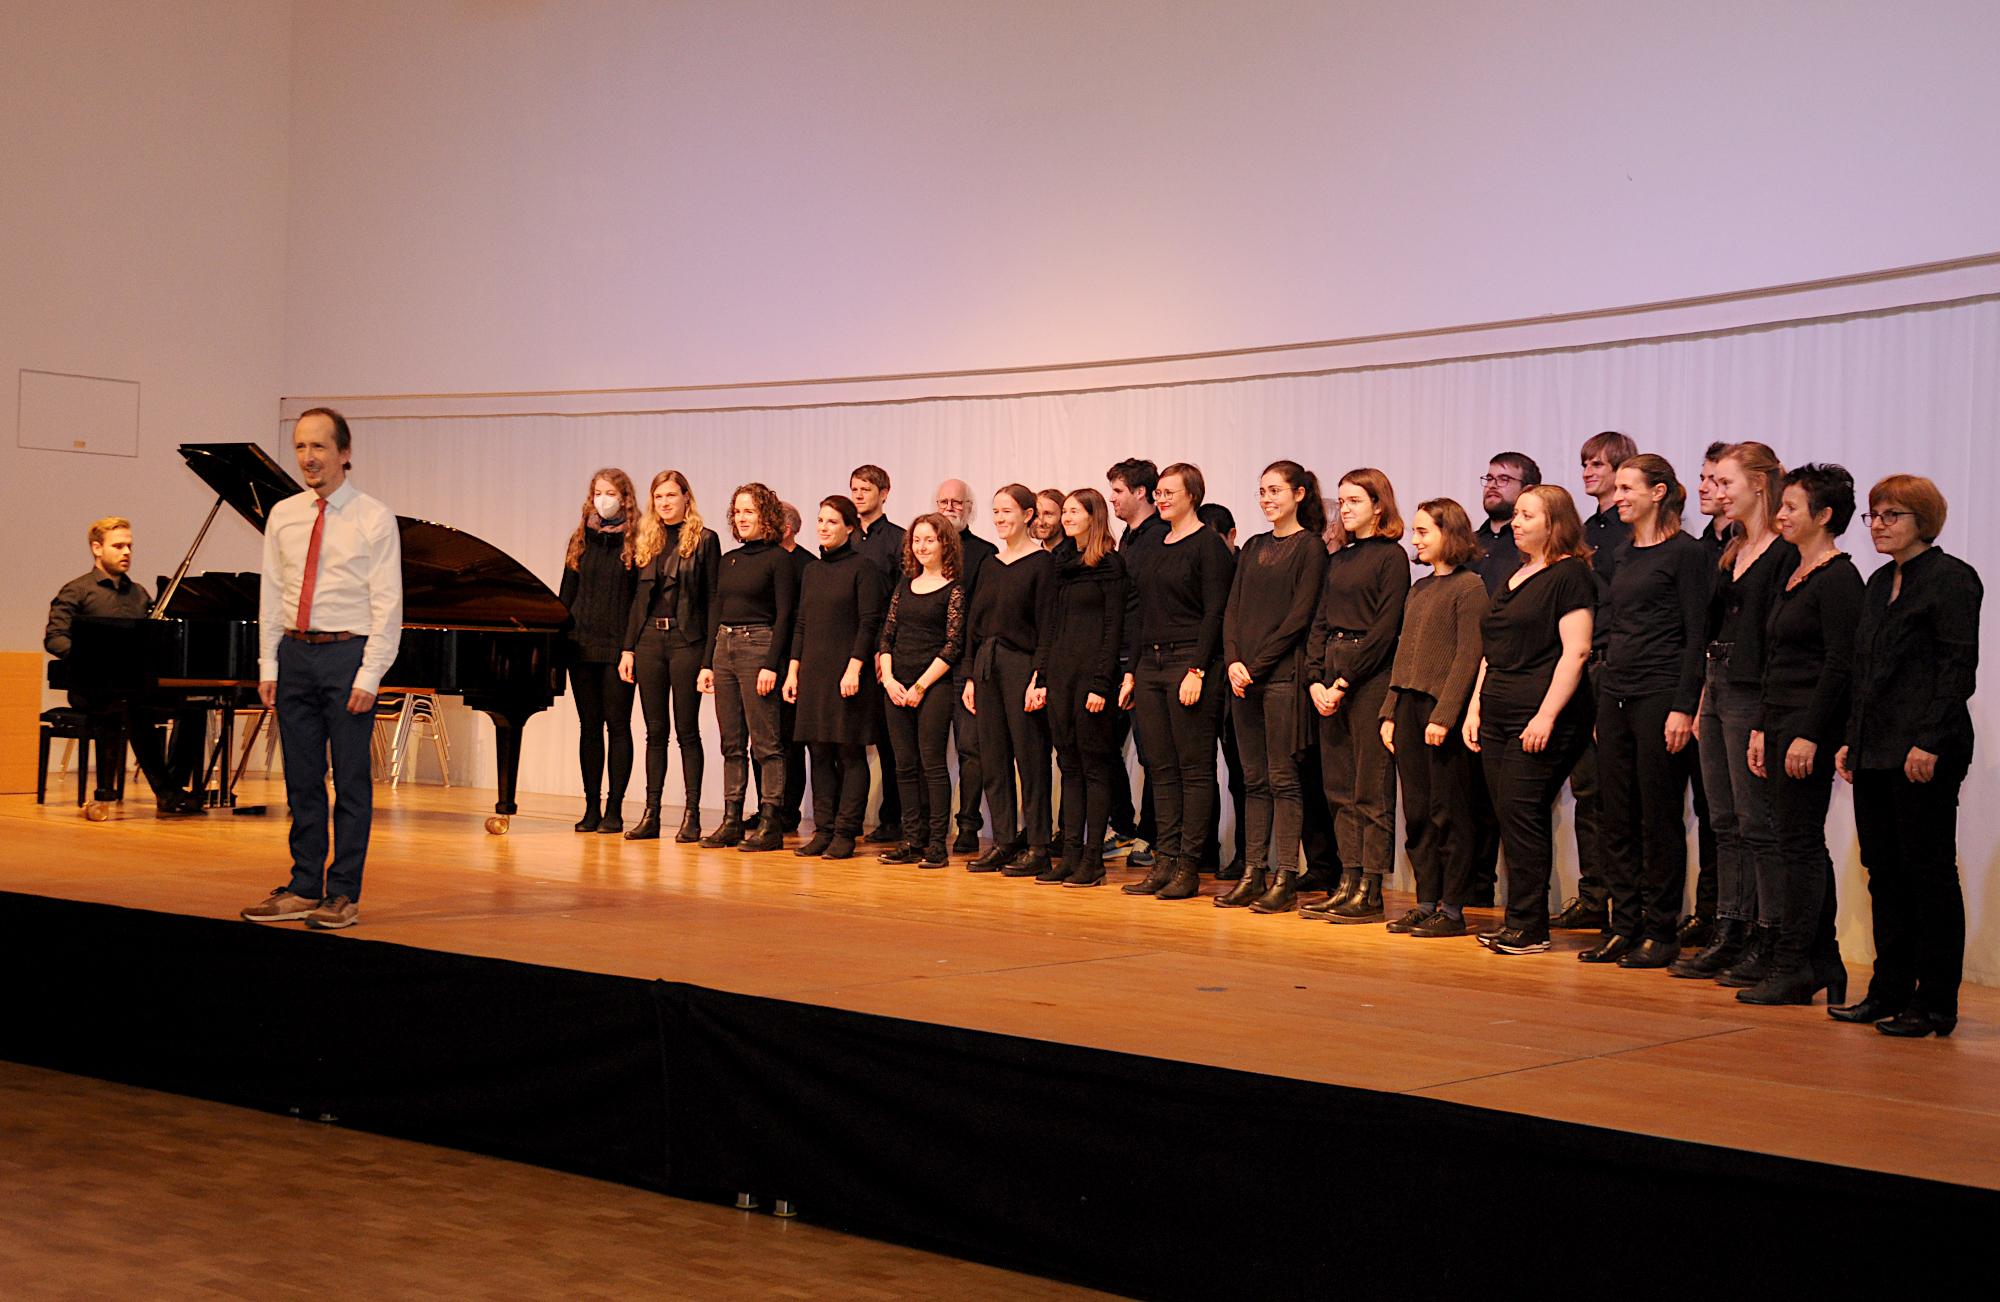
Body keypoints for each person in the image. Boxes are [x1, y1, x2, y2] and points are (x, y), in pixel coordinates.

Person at [240, 408, 402, 931]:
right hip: (294, 654)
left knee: (351, 781)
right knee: (301, 778)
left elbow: (388, 604)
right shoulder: (283, 514)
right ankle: (304, 884)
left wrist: (369, 673)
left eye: (319, 447)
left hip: (346, 654)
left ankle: (343, 893)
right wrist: (269, 662)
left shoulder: (373, 517)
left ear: (344, 453)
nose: (308, 458)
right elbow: (272, 593)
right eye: (301, 447)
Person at [1832, 476, 1981, 1038]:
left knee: (1928, 873)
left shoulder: (1951, 579)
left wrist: (1930, 741)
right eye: (1873, 516)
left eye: (1891, 515)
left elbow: (1955, 671)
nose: (1878, 526)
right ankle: (1888, 990)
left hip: (1924, 748)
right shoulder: (1876, 583)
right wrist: (1852, 737)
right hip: (1875, 748)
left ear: (1923, 519)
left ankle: (1936, 1001)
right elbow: (1863, 672)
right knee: (1884, 874)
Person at [1739, 464, 1863, 1005]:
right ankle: (1822, 961)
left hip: (1809, 727)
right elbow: (1778, 661)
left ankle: (1795, 965)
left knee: (1799, 848)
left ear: (1825, 515)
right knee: (1797, 845)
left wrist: (1809, 735)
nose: (1780, 514)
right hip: (1782, 721)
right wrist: (1764, 726)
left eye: (1791, 506)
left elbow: (1840, 665)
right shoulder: (1795, 571)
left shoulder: (1839, 579)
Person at [1674, 443, 1793, 982]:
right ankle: (1730, 928)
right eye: (1714, 483)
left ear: (1760, 484)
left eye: (1726, 483)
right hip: (1719, 686)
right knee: (1722, 818)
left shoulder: (1783, 550)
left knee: (1756, 821)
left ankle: (1770, 937)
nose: (1717, 493)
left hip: (1752, 690)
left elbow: (1777, 640)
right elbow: (1711, 632)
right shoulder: (1733, 548)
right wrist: (1700, 699)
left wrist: (1766, 715)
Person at [1587, 455, 1709, 968]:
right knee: (1617, 814)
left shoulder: (1688, 554)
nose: (1618, 497)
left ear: (1659, 492)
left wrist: (1685, 706)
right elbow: (1611, 627)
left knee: (1659, 816)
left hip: (1662, 696)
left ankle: (1661, 930)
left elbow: (1697, 634)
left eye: (1628, 488)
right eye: (1616, 489)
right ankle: (1624, 925)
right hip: (1616, 693)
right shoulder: (1620, 553)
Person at [1464, 486, 1596, 955]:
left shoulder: (1570, 575)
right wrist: (1476, 707)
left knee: (1524, 812)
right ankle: (1518, 919)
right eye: (1515, 514)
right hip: (1499, 710)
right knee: (1508, 814)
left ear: (1554, 523)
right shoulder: (1516, 575)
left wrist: (1546, 715)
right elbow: (1490, 652)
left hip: (1541, 714)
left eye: (1526, 515)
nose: (1515, 523)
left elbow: (1576, 650)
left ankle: (1530, 926)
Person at [1217, 463, 1328, 912]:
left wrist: (1256, 666)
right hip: (1244, 678)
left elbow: (1299, 618)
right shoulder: (1255, 547)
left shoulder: (1311, 548)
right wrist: (1233, 661)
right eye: (1262, 491)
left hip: (1282, 677)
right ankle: (1252, 871)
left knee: (1284, 780)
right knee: (1253, 780)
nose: (1267, 499)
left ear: (1299, 494)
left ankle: (1285, 876)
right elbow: (1232, 610)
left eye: (1276, 490)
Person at [1120, 463, 1233, 901]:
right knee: (1161, 771)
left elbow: (1215, 614)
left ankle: (1188, 866)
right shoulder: (1155, 546)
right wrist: (1131, 672)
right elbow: (1141, 614)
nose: (1162, 498)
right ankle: (1163, 862)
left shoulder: (1209, 547)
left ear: (1193, 496)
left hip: (1190, 663)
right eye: (1160, 492)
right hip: (1150, 665)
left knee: (1194, 770)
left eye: (1170, 492)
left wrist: (1199, 670)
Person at [44, 517, 209, 815]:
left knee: (193, 705)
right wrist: (91, 659)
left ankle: (173, 785)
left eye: (129, 546)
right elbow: (55, 639)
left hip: (133, 685)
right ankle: (167, 791)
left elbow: (152, 640)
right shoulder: (77, 591)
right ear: (97, 548)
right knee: (134, 706)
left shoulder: (139, 594)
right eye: (118, 546)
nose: (126, 552)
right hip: (91, 688)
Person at [1301, 468, 1409, 924]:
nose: (1344, 510)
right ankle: (1347, 879)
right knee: (1338, 789)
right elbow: (1320, 623)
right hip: (1331, 670)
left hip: (1368, 677)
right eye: (1341, 502)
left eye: (1354, 502)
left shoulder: (1392, 557)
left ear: (1378, 506)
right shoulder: (1338, 559)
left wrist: (1344, 682)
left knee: (1371, 788)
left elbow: (1386, 630)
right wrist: (1315, 681)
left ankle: (1370, 887)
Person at [1378, 499, 1487, 937]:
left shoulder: (1470, 587)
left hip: (1441, 713)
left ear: (1451, 534)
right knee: (1419, 811)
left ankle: (1455, 908)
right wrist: (1389, 712)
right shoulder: (1419, 589)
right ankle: (1426, 901)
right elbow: (1403, 653)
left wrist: (1445, 715)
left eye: (1424, 531)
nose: (1415, 539)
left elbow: (1468, 655)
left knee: (1449, 812)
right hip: (1408, 709)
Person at [1549, 430, 1636, 932]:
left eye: (1598, 463)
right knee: (1585, 789)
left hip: (1611, 664)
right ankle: (1592, 891)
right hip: (1580, 667)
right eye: (1584, 463)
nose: (1588, 472)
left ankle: (1625, 902)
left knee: (1614, 792)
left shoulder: (1629, 532)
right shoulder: (1583, 532)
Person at [618, 470, 720, 843]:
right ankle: (651, 814)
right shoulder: (647, 538)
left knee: (687, 731)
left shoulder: (705, 540)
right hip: (648, 641)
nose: (664, 503)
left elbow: (713, 602)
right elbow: (636, 603)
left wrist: (708, 660)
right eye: (658, 496)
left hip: (686, 641)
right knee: (654, 732)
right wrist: (628, 647)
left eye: (671, 496)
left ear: (686, 498)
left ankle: (692, 815)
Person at [783, 496, 886, 860]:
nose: (823, 528)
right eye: (820, 520)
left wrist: (855, 667)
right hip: (813, 673)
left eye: (831, 522)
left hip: (848, 674)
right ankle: (824, 830)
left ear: (849, 528)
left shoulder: (864, 568)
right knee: (819, 753)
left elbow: (869, 622)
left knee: (849, 753)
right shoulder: (812, 570)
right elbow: (802, 623)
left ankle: (846, 832)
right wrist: (793, 670)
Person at [699, 483, 800, 853]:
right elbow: (716, 612)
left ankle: (771, 822)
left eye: (750, 512)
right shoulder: (729, 560)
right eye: (738, 512)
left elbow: (787, 614)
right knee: (731, 743)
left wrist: (772, 664)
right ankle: (731, 820)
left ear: (767, 517)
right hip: (724, 647)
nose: (742, 518)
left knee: (767, 743)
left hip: (759, 646)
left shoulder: (779, 559)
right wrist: (708, 662)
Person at [963, 485, 1056, 875]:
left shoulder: (1042, 564)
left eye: (1008, 511)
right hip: (986, 664)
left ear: (1029, 515)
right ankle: (1003, 840)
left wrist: (1040, 677)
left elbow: (1049, 627)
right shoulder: (990, 562)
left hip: (1022, 665)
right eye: (996, 512)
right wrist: (969, 676)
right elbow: (973, 625)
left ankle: (1037, 845)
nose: (1000, 519)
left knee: (1030, 757)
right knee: (993, 758)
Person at [1039, 489, 1127, 887]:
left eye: (1075, 511)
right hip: (1061, 676)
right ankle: (1070, 853)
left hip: (1092, 679)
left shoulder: (1110, 565)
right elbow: (1051, 627)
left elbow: (1113, 630)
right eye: (1066, 512)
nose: (1067, 517)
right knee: (1068, 764)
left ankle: (1093, 858)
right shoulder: (1061, 564)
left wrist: (1101, 683)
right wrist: (1041, 677)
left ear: (1094, 516)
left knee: (1093, 766)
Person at [877, 514, 967, 868]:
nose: (922, 546)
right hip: (896, 686)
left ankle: (935, 844)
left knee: (932, 766)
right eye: (917, 540)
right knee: (904, 766)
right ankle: (911, 839)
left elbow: (953, 645)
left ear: (945, 543)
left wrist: (919, 686)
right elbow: (887, 635)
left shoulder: (954, 588)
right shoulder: (905, 584)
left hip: (932, 686)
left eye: (929, 540)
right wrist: (888, 679)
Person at [559, 470, 640, 834]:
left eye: (610, 493)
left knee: (618, 727)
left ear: (625, 498)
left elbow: (640, 601)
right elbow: (566, 594)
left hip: (618, 646)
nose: (602, 499)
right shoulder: (580, 539)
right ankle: (591, 806)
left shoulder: (637, 541)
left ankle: (615, 809)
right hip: (581, 644)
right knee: (589, 727)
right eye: (597, 493)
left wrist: (631, 648)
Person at [1107, 457, 1166, 864]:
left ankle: (1153, 836)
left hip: (1146, 659)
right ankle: (1124, 828)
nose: (1112, 498)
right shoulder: (1124, 539)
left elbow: (1150, 606)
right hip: (1118, 656)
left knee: (1152, 755)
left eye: (1118, 491)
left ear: (1141, 492)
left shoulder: (1161, 536)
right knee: (1107, 746)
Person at [935, 479, 999, 855]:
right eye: (943, 501)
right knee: (926, 751)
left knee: (970, 749)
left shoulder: (985, 554)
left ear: (969, 508)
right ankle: (930, 826)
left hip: (964, 667)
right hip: (924, 664)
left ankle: (968, 826)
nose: (950, 508)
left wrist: (972, 668)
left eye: (957, 502)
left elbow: (981, 617)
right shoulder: (919, 549)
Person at [749, 501, 814, 835]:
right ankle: (765, 808)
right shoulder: (759, 560)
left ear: (784, 529)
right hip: (760, 658)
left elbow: (800, 619)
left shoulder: (806, 565)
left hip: (791, 663)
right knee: (759, 740)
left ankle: (787, 811)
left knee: (788, 741)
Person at [850, 464, 907, 843]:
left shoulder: (900, 539)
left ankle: (893, 818)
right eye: (854, 488)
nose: (859, 495)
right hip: (849, 648)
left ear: (884, 493)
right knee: (849, 737)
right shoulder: (845, 536)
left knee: (889, 742)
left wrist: (884, 649)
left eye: (866, 488)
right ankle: (847, 818)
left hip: (883, 651)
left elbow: (900, 599)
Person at [1197, 500, 1247, 875]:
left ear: (1231, 536)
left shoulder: (1243, 567)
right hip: (1201, 675)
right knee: (1200, 771)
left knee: (1243, 777)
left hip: (1234, 678)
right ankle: (1202, 850)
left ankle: (1248, 856)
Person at [1471, 453, 1538, 595]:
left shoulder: (1533, 547)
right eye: (1489, 479)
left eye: (1503, 479)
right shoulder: (1467, 542)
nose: (1492, 486)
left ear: (1527, 490)